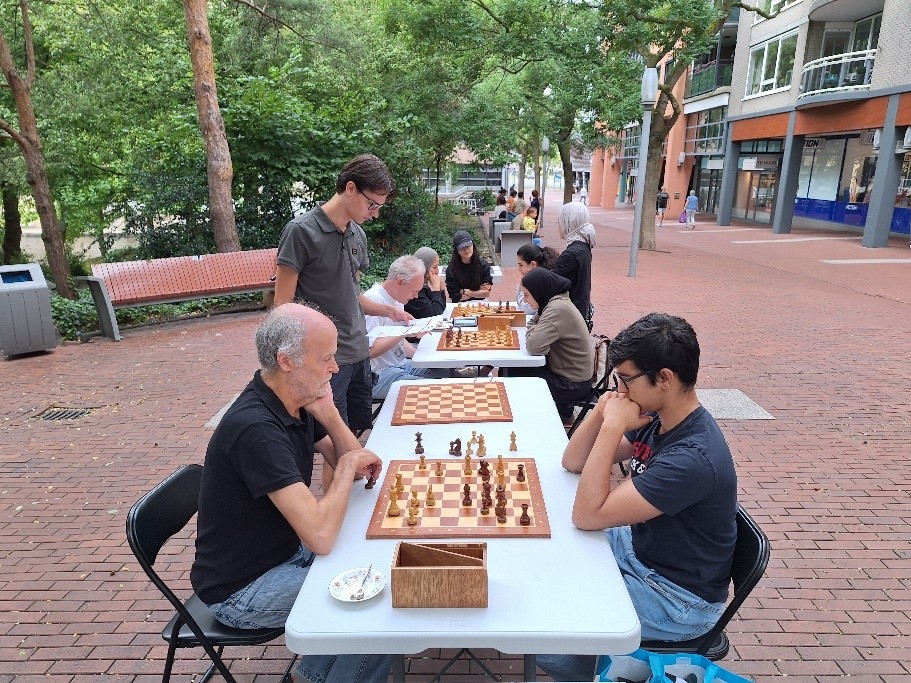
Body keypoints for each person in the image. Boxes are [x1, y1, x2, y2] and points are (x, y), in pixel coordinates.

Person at [191, 303, 392, 683]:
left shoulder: (290, 402)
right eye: (326, 358)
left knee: (373, 556)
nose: (335, 368)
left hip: (286, 553)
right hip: (243, 589)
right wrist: (345, 467)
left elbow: (359, 467)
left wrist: (330, 415)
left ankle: (312, 676)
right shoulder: (256, 429)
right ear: (287, 361)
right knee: (374, 607)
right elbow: (320, 535)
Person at [537, 313, 737, 682]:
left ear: (665, 378)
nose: (621, 390)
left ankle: (587, 668)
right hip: (642, 552)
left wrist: (613, 425)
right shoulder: (660, 418)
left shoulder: (692, 457)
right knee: (550, 553)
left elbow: (588, 514)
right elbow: (574, 460)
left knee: (551, 621)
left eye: (625, 379)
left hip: (677, 599)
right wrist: (603, 410)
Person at [274, 154, 413, 433]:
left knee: (354, 433)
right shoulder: (301, 232)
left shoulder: (357, 235)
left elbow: (352, 294)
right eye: (372, 204)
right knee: (328, 437)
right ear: (351, 188)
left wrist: (389, 311)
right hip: (325, 359)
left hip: (359, 351)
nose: (375, 213)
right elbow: (282, 307)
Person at [364, 255, 447, 399]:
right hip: (379, 375)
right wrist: (404, 331)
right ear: (399, 282)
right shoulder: (373, 301)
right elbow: (368, 352)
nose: (416, 296)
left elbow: (399, 342)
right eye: (414, 291)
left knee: (446, 373)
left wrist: (421, 356)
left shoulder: (398, 299)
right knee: (435, 392)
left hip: (400, 365)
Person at [518, 268, 593, 424]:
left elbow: (533, 345)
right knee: (519, 368)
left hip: (572, 385)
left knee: (514, 371)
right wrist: (535, 326)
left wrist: (532, 326)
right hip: (574, 378)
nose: (525, 301)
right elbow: (536, 330)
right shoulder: (555, 302)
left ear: (538, 291)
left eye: (527, 295)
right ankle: (562, 413)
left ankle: (528, 421)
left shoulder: (557, 309)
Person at [551, 202, 595, 330]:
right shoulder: (583, 246)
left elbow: (550, 282)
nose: (558, 226)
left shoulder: (572, 253)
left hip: (571, 318)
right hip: (579, 312)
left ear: (568, 222)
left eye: (560, 222)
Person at [445, 230, 493, 303]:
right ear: (457, 250)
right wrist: (478, 290)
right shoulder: (452, 269)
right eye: (462, 247)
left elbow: (486, 293)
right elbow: (455, 297)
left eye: (468, 245)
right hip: (460, 304)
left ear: (473, 245)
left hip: (481, 302)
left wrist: (464, 291)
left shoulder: (483, 265)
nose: (466, 250)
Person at [404, 247, 447, 320]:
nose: (437, 271)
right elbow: (434, 313)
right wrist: (436, 288)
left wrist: (441, 289)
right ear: (424, 267)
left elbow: (441, 306)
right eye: (434, 267)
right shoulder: (414, 288)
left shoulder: (424, 285)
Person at [515, 243, 558, 314]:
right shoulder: (542, 276)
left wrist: (522, 285)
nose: (519, 269)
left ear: (533, 264)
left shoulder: (540, 282)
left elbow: (526, 309)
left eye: (521, 265)